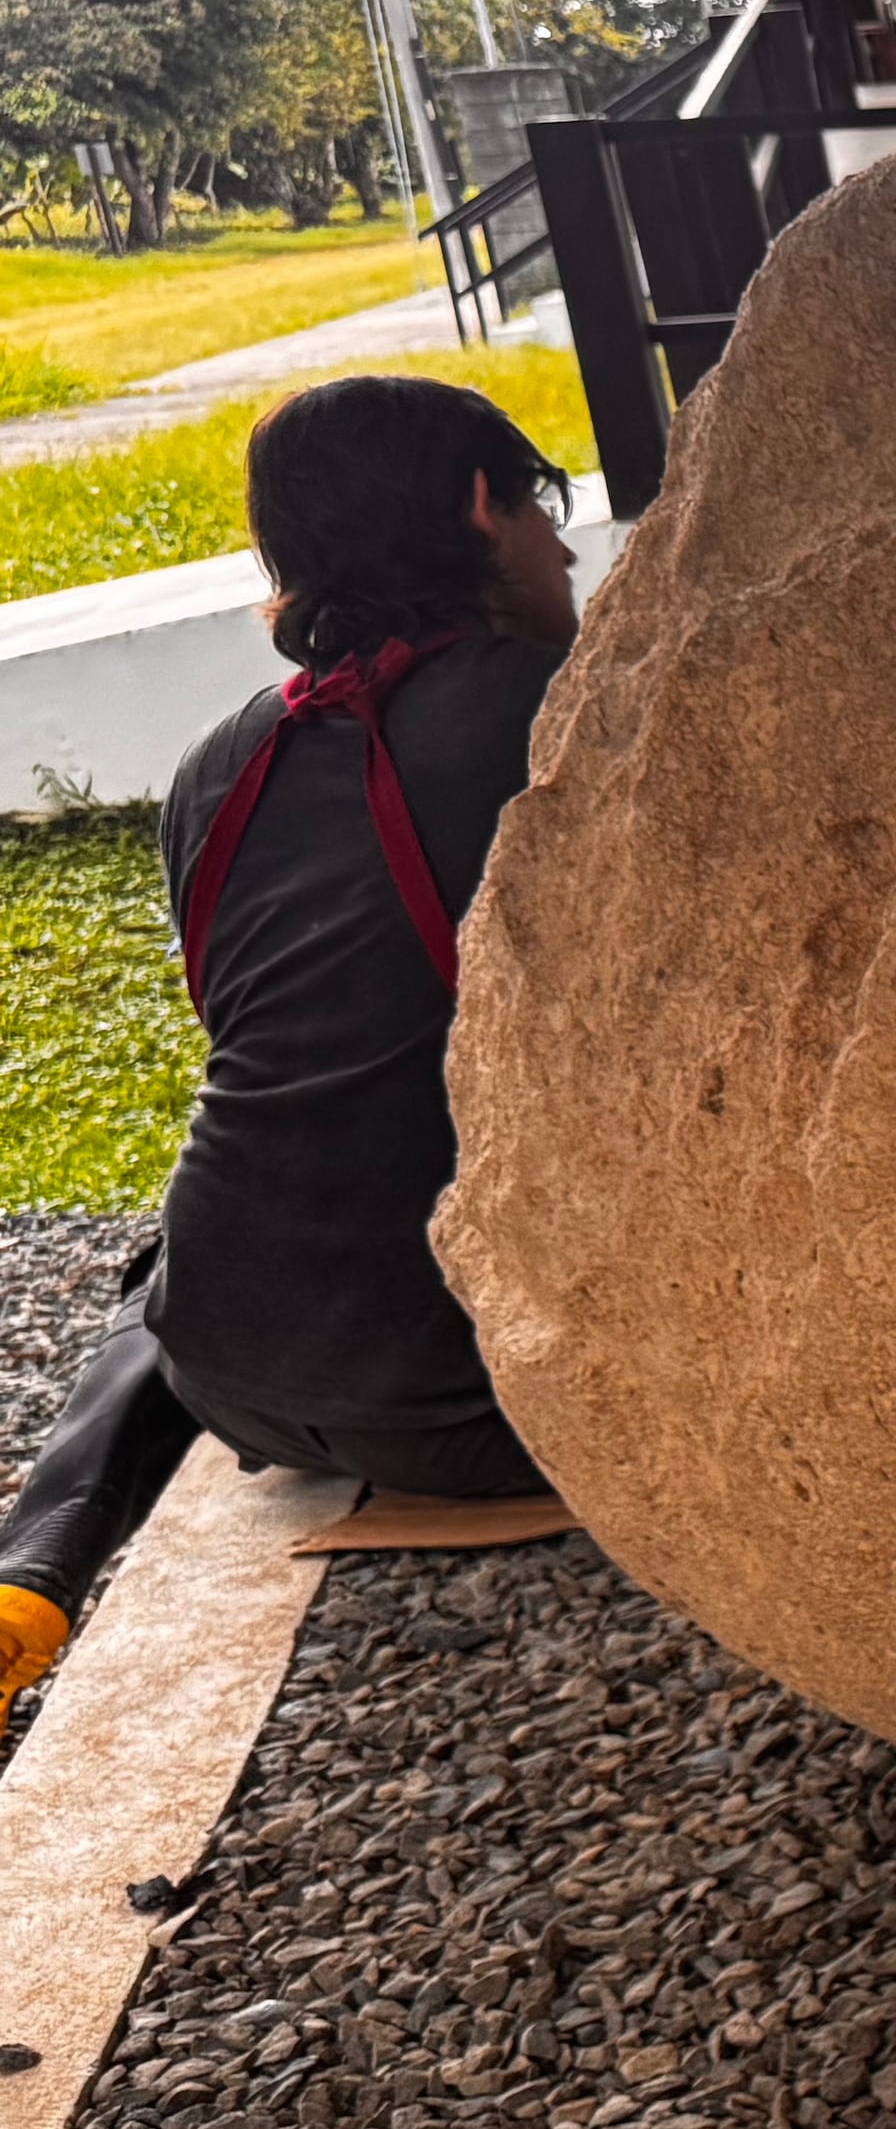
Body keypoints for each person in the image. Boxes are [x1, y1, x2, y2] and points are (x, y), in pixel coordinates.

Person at [0, 378, 578, 1713]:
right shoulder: (562, 716)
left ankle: (35, 1559)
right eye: (543, 510)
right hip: (482, 1405)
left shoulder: (222, 758)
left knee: (202, 1226)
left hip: (231, 1369)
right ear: (481, 510)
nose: (562, 549)